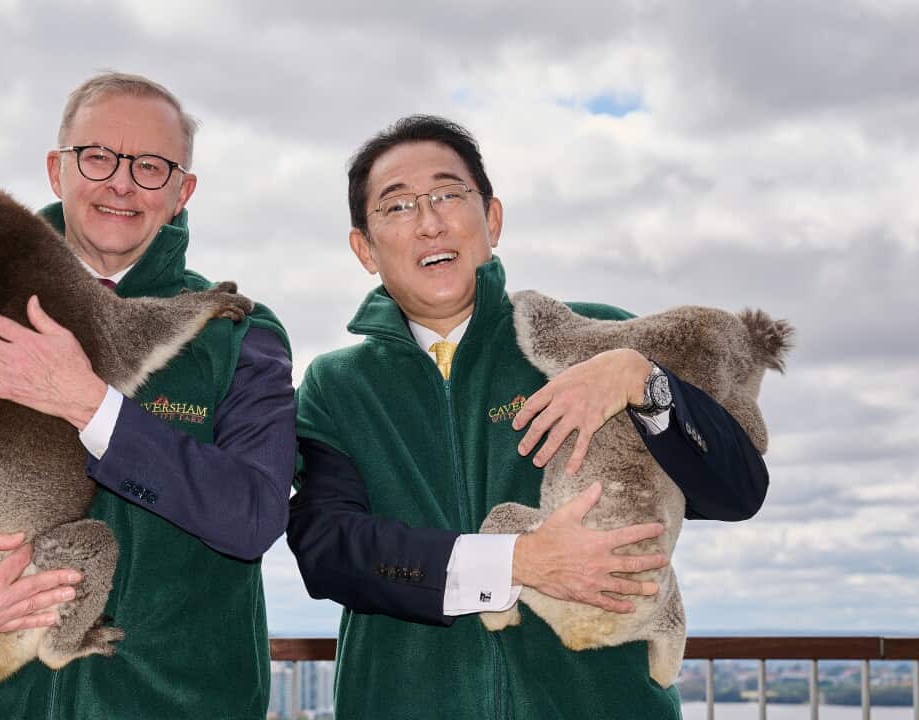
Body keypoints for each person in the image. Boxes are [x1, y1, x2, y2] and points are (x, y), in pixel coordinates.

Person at [0, 72, 295, 719]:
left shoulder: (239, 334)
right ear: (57, 170)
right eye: (97, 156)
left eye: (151, 166)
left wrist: (91, 405)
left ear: (183, 191)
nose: (120, 182)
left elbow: (253, 518)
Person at [286, 115, 769, 719]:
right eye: (399, 206)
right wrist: (518, 561)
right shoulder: (338, 385)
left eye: (448, 194)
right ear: (364, 247)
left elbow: (738, 491)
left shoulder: (594, 337)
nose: (430, 220)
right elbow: (329, 549)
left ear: (491, 218)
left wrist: (645, 382)